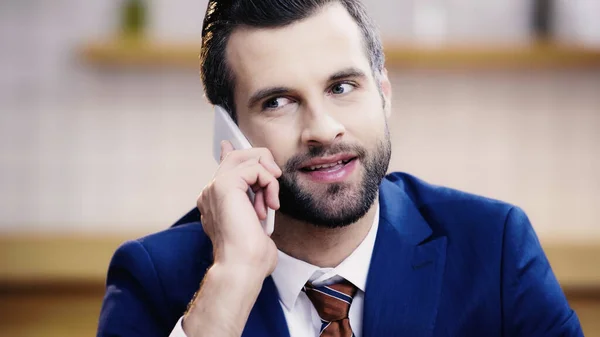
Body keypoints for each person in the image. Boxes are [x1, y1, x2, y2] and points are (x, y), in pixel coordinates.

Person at [97, 1, 583, 336]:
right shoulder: (154, 278)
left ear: (384, 96)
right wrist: (233, 280)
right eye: (279, 101)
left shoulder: (494, 246)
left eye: (342, 87)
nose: (323, 129)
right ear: (229, 136)